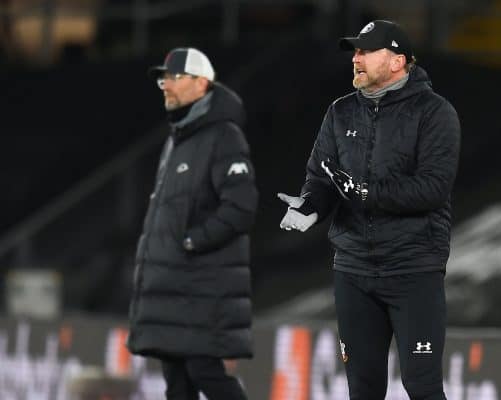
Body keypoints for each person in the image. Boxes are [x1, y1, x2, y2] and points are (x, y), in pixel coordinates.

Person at [279, 20, 460, 399]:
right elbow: (322, 177)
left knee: (422, 386)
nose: (356, 59)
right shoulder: (340, 112)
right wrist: (311, 206)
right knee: (362, 389)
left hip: (413, 269)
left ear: (397, 61)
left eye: (365, 51)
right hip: (354, 270)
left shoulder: (435, 113)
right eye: (354, 52)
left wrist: (364, 192)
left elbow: (431, 189)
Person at [127, 47, 258, 400]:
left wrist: (191, 242)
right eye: (163, 78)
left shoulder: (224, 135)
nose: (165, 85)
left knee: (205, 371)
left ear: (201, 84)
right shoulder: (177, 139)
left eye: (174, 77)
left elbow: (241, 208)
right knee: (177, 382)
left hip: (202, 286)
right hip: (175, 287)